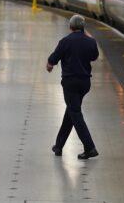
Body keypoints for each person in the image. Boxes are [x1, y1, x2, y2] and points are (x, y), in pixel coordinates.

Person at [47, 14, 100, 159]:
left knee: (75, 114)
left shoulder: (65, 41)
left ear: (70, 27)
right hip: (84, 83)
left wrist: (50, 65)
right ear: (83, 27)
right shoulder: (91, 42)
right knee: (71, 112)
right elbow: (94, 57)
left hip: (70, 83)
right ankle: (58, 146)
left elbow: (52, 60)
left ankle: (90, 147)